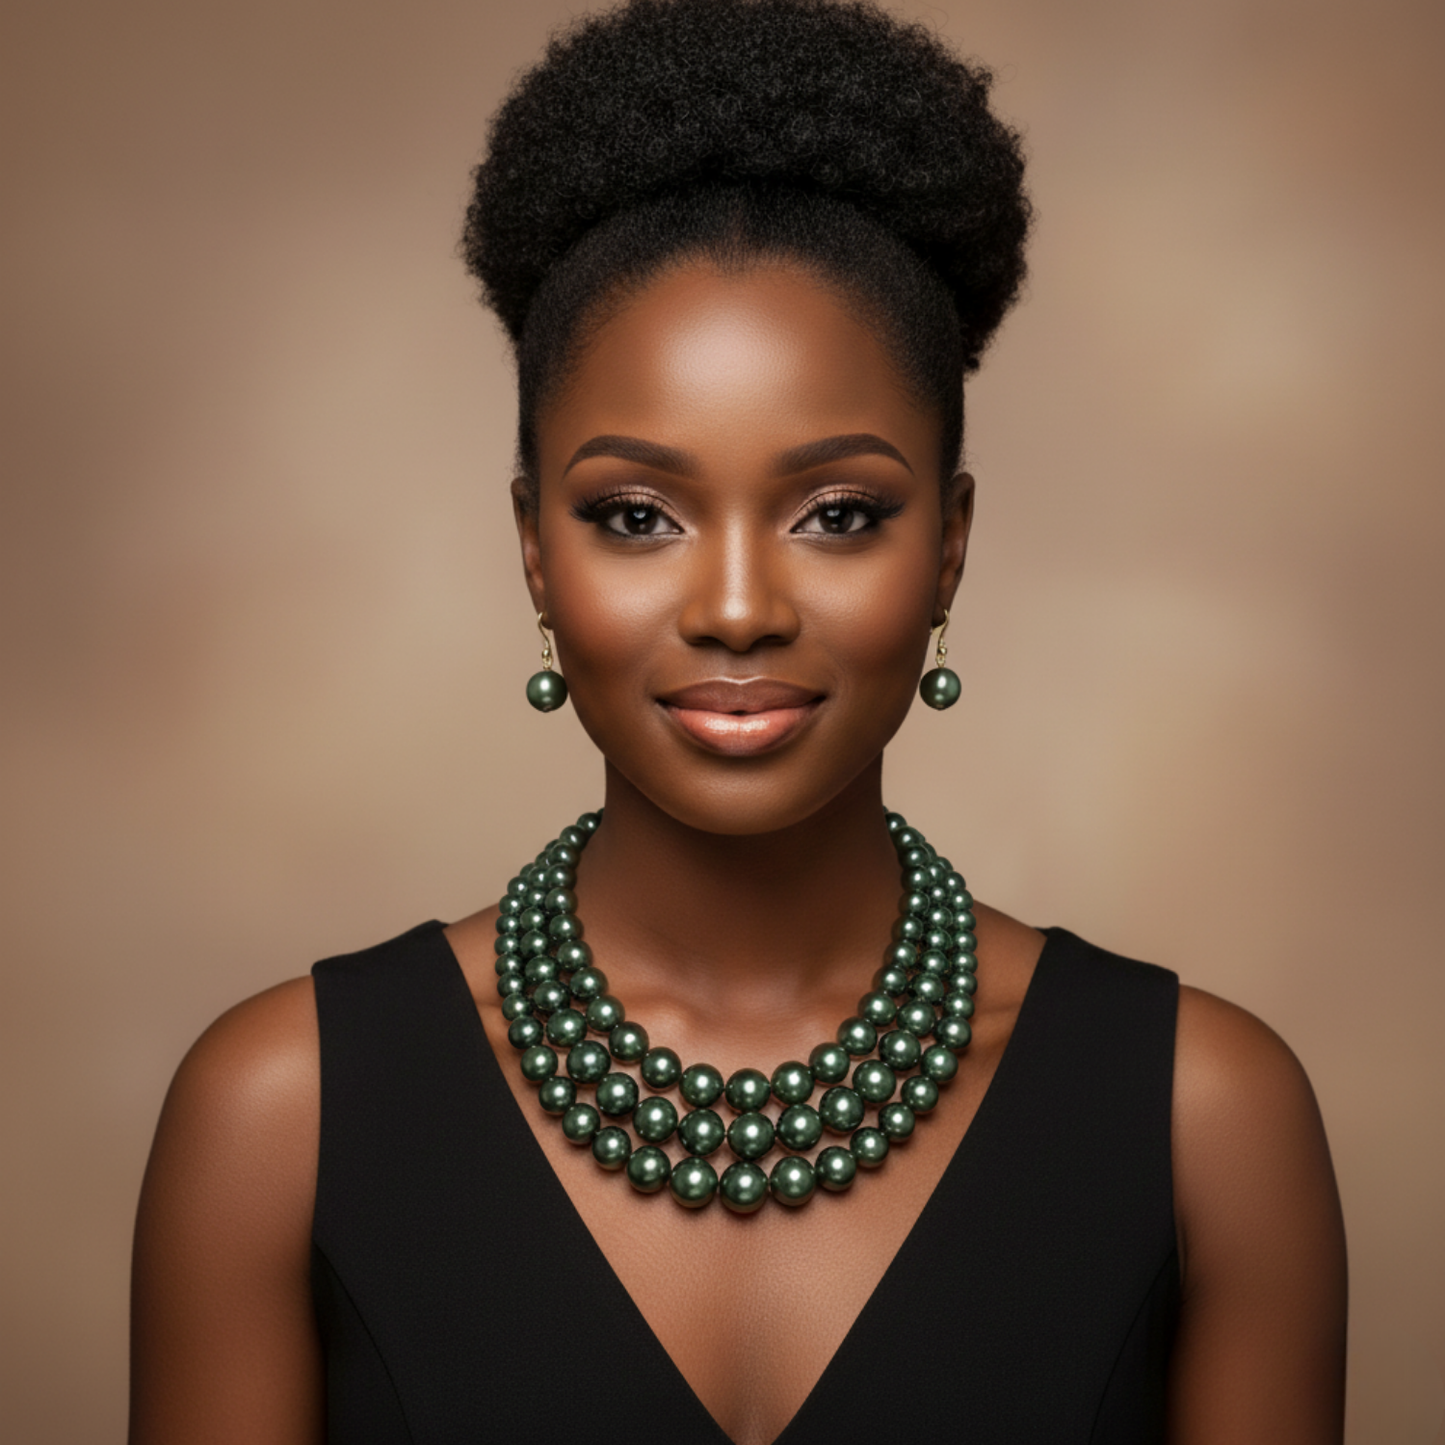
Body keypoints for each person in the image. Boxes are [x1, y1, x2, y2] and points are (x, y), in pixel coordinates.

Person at [128, 1, 1348, 1440]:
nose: (736, 606)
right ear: (534, 548)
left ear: (949, 545)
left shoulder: (1206, 1121)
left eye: (840, 514)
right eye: (634, 515)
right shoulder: (279, 1118)